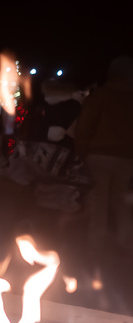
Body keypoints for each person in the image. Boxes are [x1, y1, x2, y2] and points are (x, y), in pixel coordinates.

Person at [74, 55, 133, 253]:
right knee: (119, 201)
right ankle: (127, 244)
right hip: (127, 158)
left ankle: (95, 248)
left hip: (98, 155)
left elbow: (84, 126)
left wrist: (81, 153)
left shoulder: (100, 95)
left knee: (98, 201)